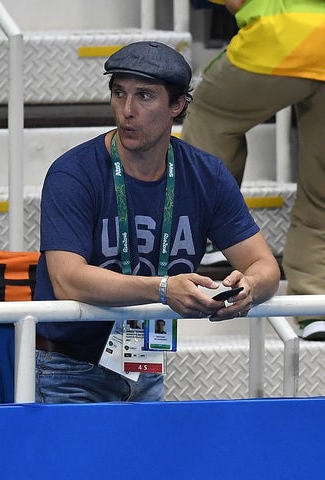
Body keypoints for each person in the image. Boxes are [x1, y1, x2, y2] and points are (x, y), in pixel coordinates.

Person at [34, 41, 281, 403]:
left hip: (145, 365)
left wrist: (249, 288)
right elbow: (67, 280)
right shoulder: (73, 174)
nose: (127, 111)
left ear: (177, 105)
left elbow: (265, 266)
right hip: (66, 369)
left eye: (145, 96)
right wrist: (162, 288)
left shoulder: (206, 174)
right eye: (119, 93)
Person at [181, 0, 325, 340]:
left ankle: (214, 236)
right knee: (320, 192)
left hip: (280, 38)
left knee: (209, 113)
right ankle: (314, 304)